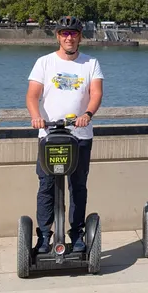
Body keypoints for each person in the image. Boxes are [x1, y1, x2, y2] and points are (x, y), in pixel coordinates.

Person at [26, 15, 104, 254]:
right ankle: (44, 236)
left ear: (80, 36)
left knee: (78, 185)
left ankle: (77, 233)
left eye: (73, 33)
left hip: (80, 135)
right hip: (49, 135)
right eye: (64, 33)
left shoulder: (91, 63)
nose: (69, 37)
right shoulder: (44, 62)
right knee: (46, 185)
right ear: (58, 36)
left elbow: (96, 93)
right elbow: (32, 95)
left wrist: (87, 114)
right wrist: (35, 115)